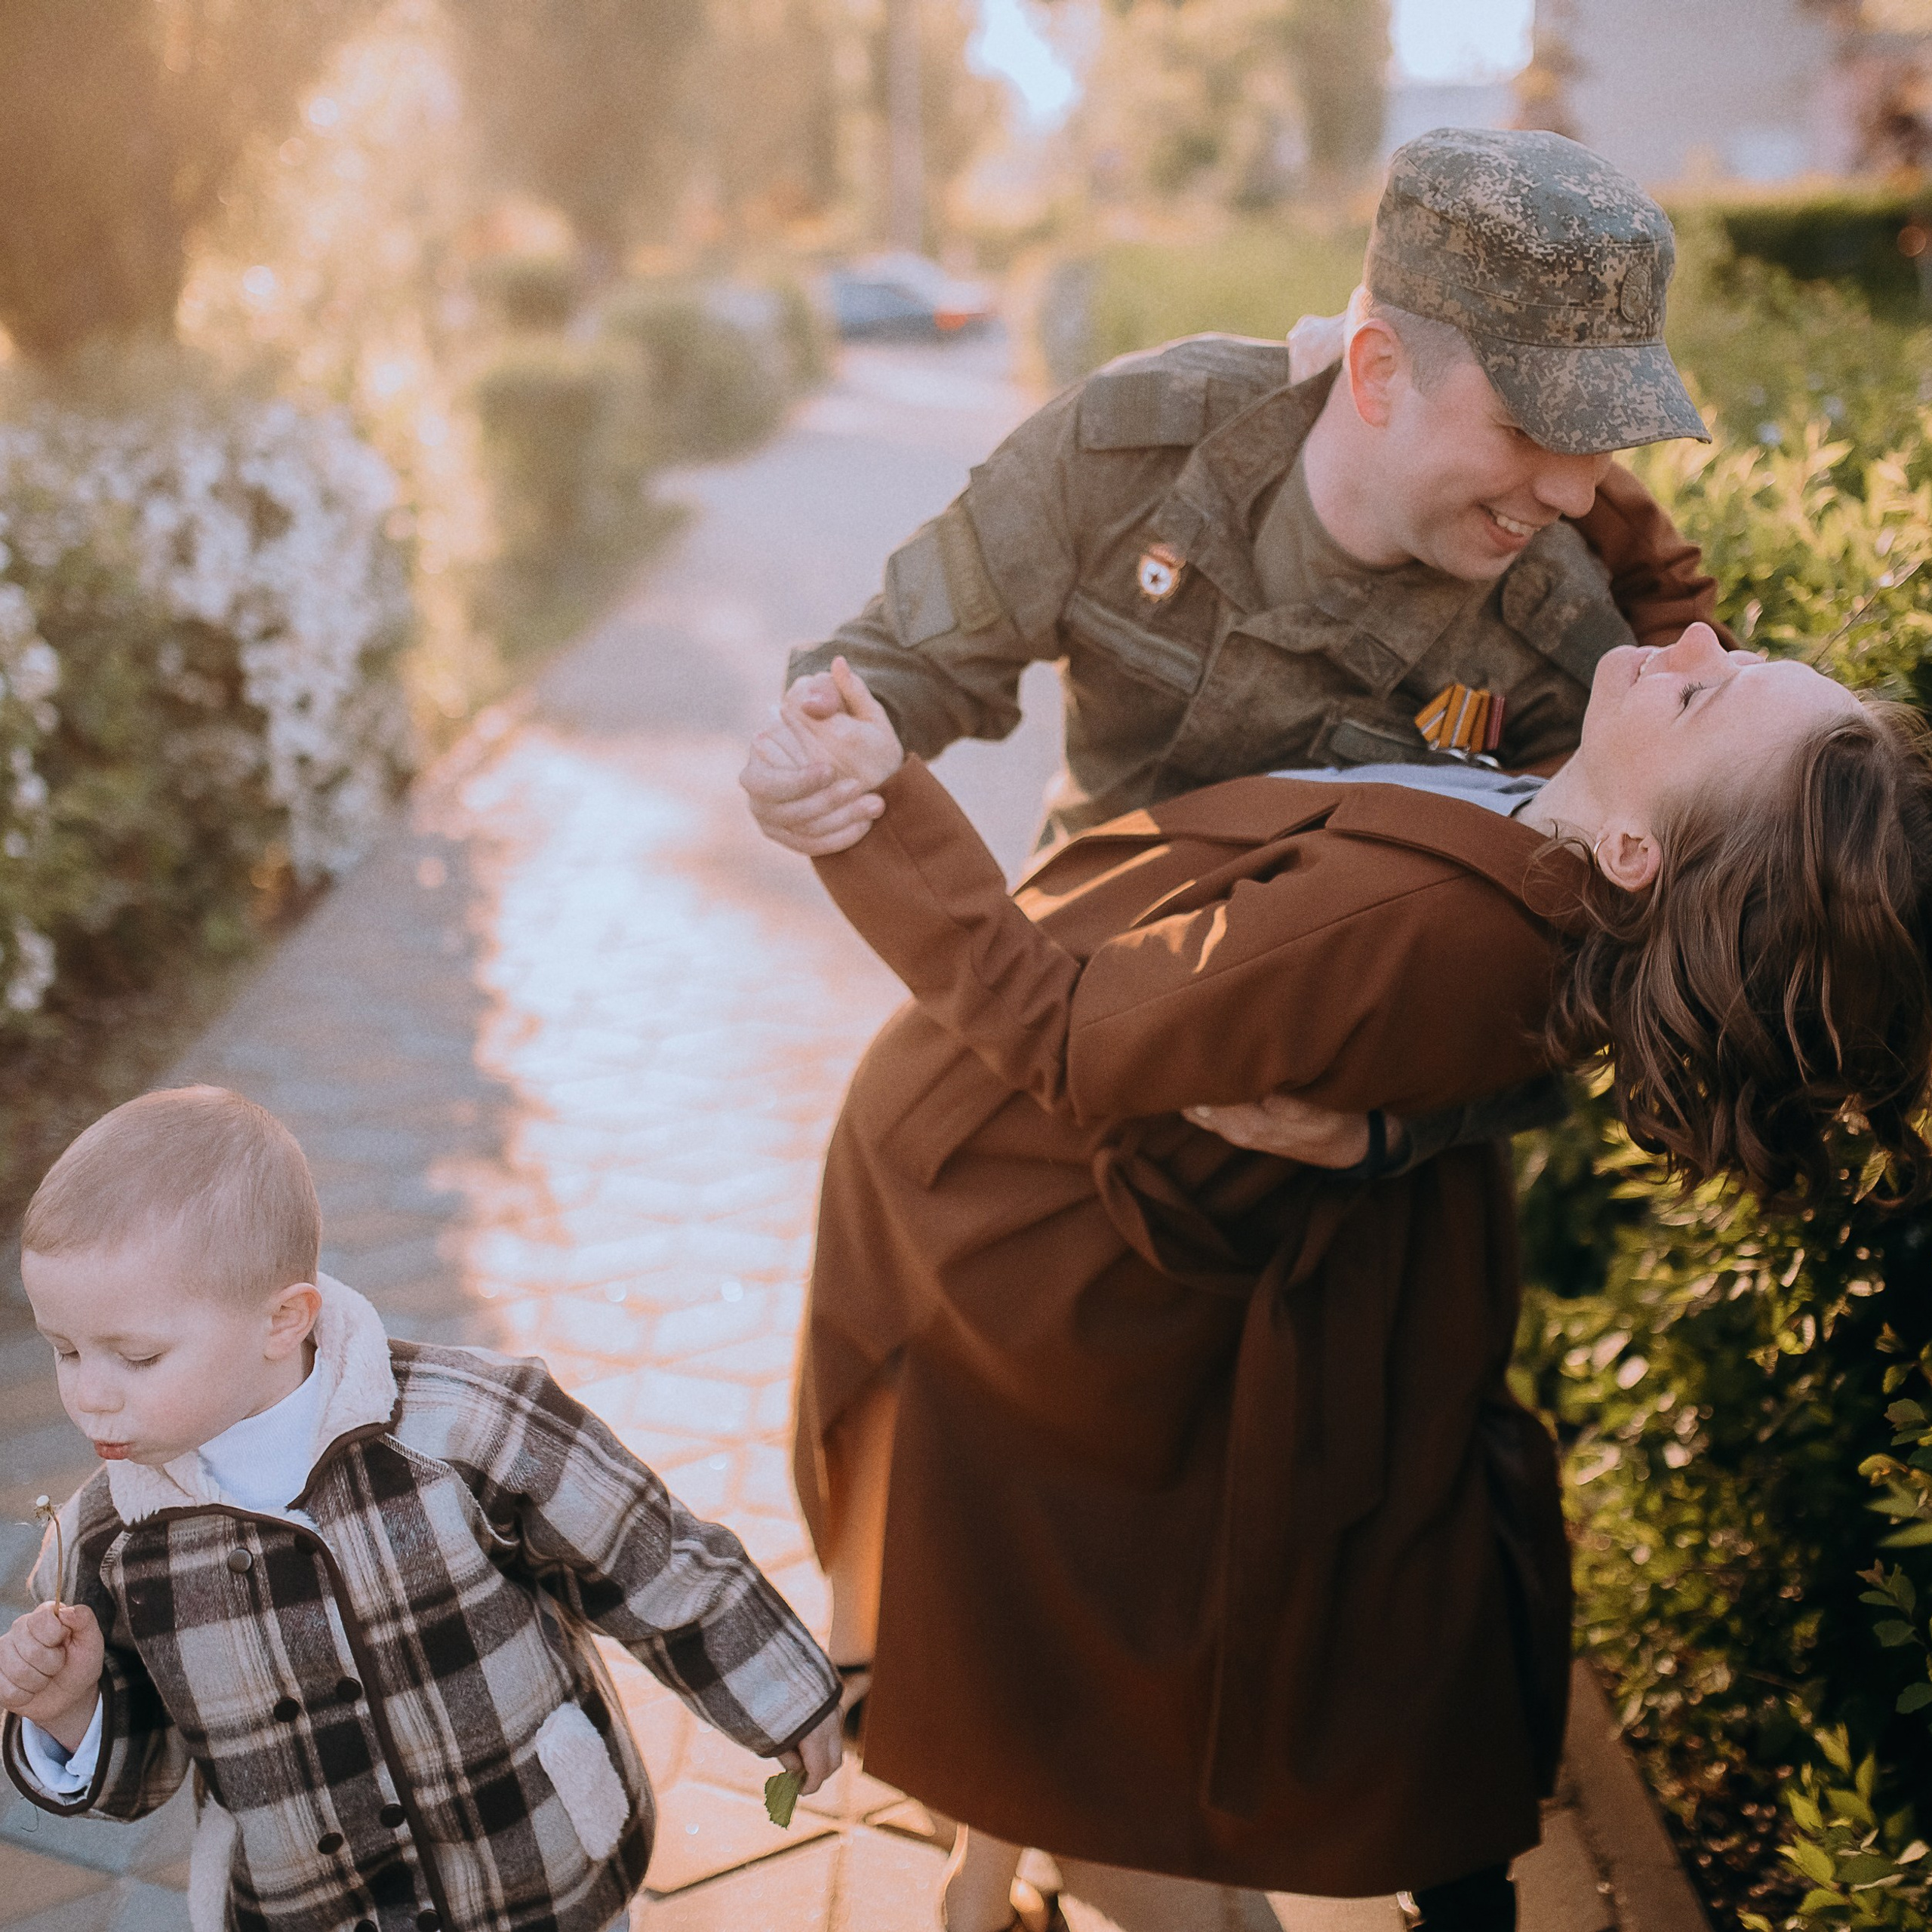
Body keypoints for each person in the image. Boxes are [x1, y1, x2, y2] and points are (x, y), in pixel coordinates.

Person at [740, 628, 1932, 1932]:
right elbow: (1668, 613)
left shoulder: (1421, 927)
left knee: (1046, 1672)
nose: (1696, 638)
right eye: (1744, 652)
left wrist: (873, 804)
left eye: (1705, 691)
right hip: (1082, 1225)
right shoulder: (1573, 829)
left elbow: (1067, 1038)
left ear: (1642, 852)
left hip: (1019, 1239)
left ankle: (1050, 1874)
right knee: (1022, 1630)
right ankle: (982, 1889)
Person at [746, 127, 1728, 1183]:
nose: (1577, 493)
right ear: (1380, 368)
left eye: (1606, 443)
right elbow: (905, 658)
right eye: (1533, 431)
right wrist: (825, 750)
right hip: (1052, 1049)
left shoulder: (1569, 653)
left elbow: (1585, 986)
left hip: (1332, 1186)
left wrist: (1392, 1139)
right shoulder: (1136, 450)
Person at [0, 1087, 843, 1932]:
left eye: (136, 1356)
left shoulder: (468, 1426)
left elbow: (640, 1549)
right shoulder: (109, 1541)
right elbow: (143, 1769)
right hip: (313, 1910)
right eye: (65, 1350)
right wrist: (72, 1708)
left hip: (536, 1875)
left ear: (282, 1320)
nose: (87, 1395)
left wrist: (772, 1687)